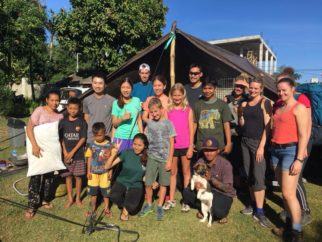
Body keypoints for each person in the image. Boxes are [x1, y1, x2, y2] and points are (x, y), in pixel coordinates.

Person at [271, 74, 309, 242]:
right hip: (275, 151)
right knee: (284, 193)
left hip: (290, 152)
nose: (281, 93)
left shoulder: (299, 108)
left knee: (288, 194)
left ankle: (296, 232)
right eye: (279, 91)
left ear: (293, 89)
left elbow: (303, 134)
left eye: (284, 90)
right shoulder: (278, 106)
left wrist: (299, 159)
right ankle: (288, 227)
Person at [238, 74, 273, 228]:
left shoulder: (265, 103)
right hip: (244, 141)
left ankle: (260, 212)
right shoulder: (245, 104)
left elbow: (268, 127)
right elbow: (242, 123)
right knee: (249, 174)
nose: (252, 90)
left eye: (255, 88)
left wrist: (261, 147)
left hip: (257, 143)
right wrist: (240, 114)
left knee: (258, 176)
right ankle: (253, 204)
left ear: (261, 89)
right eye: (250, 87)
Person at [25, 90, 63, 219]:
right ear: (47, 99)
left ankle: (45, 199)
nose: (55, 103)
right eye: (52, 100)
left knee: (49, 176)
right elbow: (29, 127)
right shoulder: (39, 111)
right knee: (36, 176)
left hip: (51, 151)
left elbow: (58, 136)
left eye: (57, 100)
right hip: (38, 148)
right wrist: (34, 145)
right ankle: (32, 205)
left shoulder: (59, 116)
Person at [182, 137, 236, 224]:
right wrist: (197, 185)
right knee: (186, 192)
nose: (208, 153)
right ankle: (205, 208)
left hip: (222, 194)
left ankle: (217, 211)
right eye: (206, 150)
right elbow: (194, 177)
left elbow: (227, 188)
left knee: (218, 211)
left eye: (212, 150)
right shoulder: (201, 161)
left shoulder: (226, 165)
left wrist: (211, 179)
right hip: (206, 191)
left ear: (218, 151)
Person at [138, 98, 176, 220]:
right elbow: (147, 140)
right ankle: (148, 204)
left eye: (156, 111)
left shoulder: (168, 123)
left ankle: (159, 206)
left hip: (165, 158)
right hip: (152, 157)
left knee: (164, 183)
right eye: (152, 112)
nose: (154, 114)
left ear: (162, 109)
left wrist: (170, 160)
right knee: (148, 182)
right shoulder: (150, 124)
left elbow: (172, 142)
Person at [162, 83, 194, 212]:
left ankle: (186, 200)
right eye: (174, 95)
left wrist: (191, 146)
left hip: (185, 145)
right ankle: (171, 199)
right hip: (172, 146)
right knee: (173, 173)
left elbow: (191, 129)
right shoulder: (167, 110)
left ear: (183, 95)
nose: (176, 97)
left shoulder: (188, 110)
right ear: (171, 95)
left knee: (186, 172)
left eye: (179, 95)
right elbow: (165, 130)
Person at [105, 133, 149, 221]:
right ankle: (125, 204)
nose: (136, 147)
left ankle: (126, 207)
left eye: (139, 145)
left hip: (136, 184)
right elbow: (107, 166)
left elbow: (147, 176)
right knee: (113, 196)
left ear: (145, 146)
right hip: (122, 180)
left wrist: (151, 181)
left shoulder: (148, 157)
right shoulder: (126, 153)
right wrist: (115, 153)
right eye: (134, 144)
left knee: (132, 208)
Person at [59, 97, 87, 208]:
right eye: (70, 108)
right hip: (66, 156)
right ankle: (70, 199)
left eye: (75, 108)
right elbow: (61, 139)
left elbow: (83, 138)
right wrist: (66, 153)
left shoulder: (82, 122)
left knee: (78, 177)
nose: (73, 110)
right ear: (67, 108)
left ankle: (78, 198)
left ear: (79, 109)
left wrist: (72, 152)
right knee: (68, 177)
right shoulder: (63, 122)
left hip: (78, 155)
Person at [224, 73, 249, 190]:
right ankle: (228, 184)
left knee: (239, 161)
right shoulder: (227, 98)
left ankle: (238, 186)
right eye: (237, 86)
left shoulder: (247, 99)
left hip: (241, 134)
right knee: (228, 159)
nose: (238, 88)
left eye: (241, 87)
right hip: (228, 133)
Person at [193, 79, 232, 155]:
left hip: (218, 145)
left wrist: (229, 143)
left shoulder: (222, 105)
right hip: (201, 145)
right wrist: (190, 143)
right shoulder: (197, 105)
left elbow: (226, 125)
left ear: (215, 88)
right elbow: (194, 124)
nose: (207, 91)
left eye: (210, 88)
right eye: (205, 88)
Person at [85, 122, 115, 218]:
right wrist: (88, 171)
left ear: (105, 133)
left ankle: (106, 209)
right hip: (93, 173)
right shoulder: (91, 145)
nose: (98, 137)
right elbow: (89, 158)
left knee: (106, 193)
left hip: (105, 173)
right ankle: (92, 210)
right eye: (96, 135)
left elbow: (112, 160)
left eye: (100, 135)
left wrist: (110, 171)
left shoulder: (110, 145)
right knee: (93, 193)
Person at [111, 77, 143, 152]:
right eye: (123, 87)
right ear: (120, 88)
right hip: (120, 138)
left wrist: (142, 136)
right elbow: (114, 124)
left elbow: (139, 120)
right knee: (120, 161)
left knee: (132, 161)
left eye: (128, 87)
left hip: (135, 138)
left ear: (132, 88)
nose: (125, 90)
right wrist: (122, 118)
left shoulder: (136, 100)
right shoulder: (116, 103)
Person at [83, 72, 115, 143]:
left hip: (106, 139)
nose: (97, 86)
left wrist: (112, 137)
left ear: (105, 85)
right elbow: (87, 120)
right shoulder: (86, 100)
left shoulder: (112, 101)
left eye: (100, 83)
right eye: (95, 83)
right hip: (91, 139)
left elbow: (114, 122)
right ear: (92, 84)